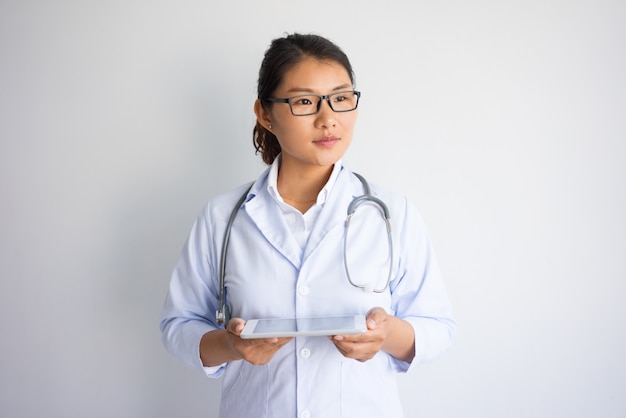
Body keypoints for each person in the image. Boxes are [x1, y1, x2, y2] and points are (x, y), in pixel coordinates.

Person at [160, 33, 456, 418]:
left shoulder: (391, 212)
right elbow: (178, 326)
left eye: (341, 98)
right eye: (304, 101)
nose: (328, 118)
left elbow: (438, 327)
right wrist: (231, 346)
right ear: (265, 114)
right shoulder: (222, 218)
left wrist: (388, 335)